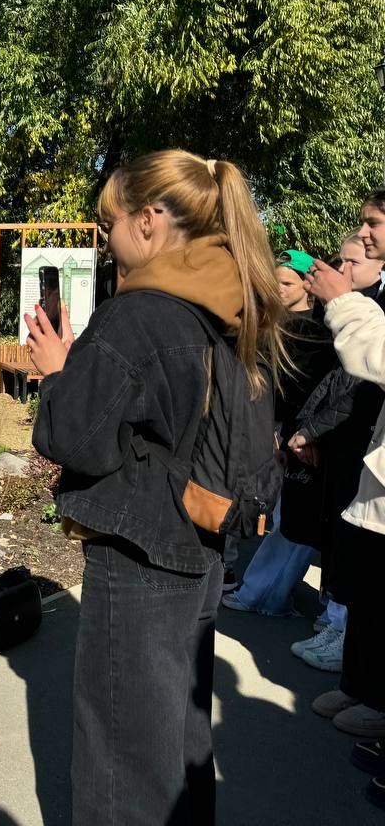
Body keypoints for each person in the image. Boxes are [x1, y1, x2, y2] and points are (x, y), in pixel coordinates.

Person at [27, 150, 286, 825]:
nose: (104, 237)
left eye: (107, 222)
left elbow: (72, 437)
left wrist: (58, 372)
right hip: (197, 548)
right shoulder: (223, 304)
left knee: (122, 758)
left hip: (139, 555)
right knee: (176, 739)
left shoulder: (141, 314)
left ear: (147, 221)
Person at [280, 233, 384, 671]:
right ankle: (340, 635)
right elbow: (335, 383)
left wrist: (311, 429)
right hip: (344, 442)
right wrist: (308, 427)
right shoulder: (354, 309)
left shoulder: (369, 312)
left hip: (360, 441)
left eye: (351, 262)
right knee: (339, 541)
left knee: (356, 554)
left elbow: (356, 387)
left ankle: (342, 636)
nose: (342, 271)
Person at [304, 194, 385, 756]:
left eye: (372, 225)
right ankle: (359, 687)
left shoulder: (365, 302)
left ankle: (376, 703)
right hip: (368, 465)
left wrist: (345, 304)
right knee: (360, 578)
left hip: (364, 446)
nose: (363, 234)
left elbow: (370, 358)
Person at [220, 250, 336, 617]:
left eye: (286, 283)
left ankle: (265, 594)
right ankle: (264, 591)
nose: (279, 290)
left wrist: (304, 432)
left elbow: (317, 387)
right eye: (275, 283)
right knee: (270, 510)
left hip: (305, 435)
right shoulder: (268, 324)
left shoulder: (323, 329)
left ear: (307, 284)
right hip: (275, 430)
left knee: (294, 520)